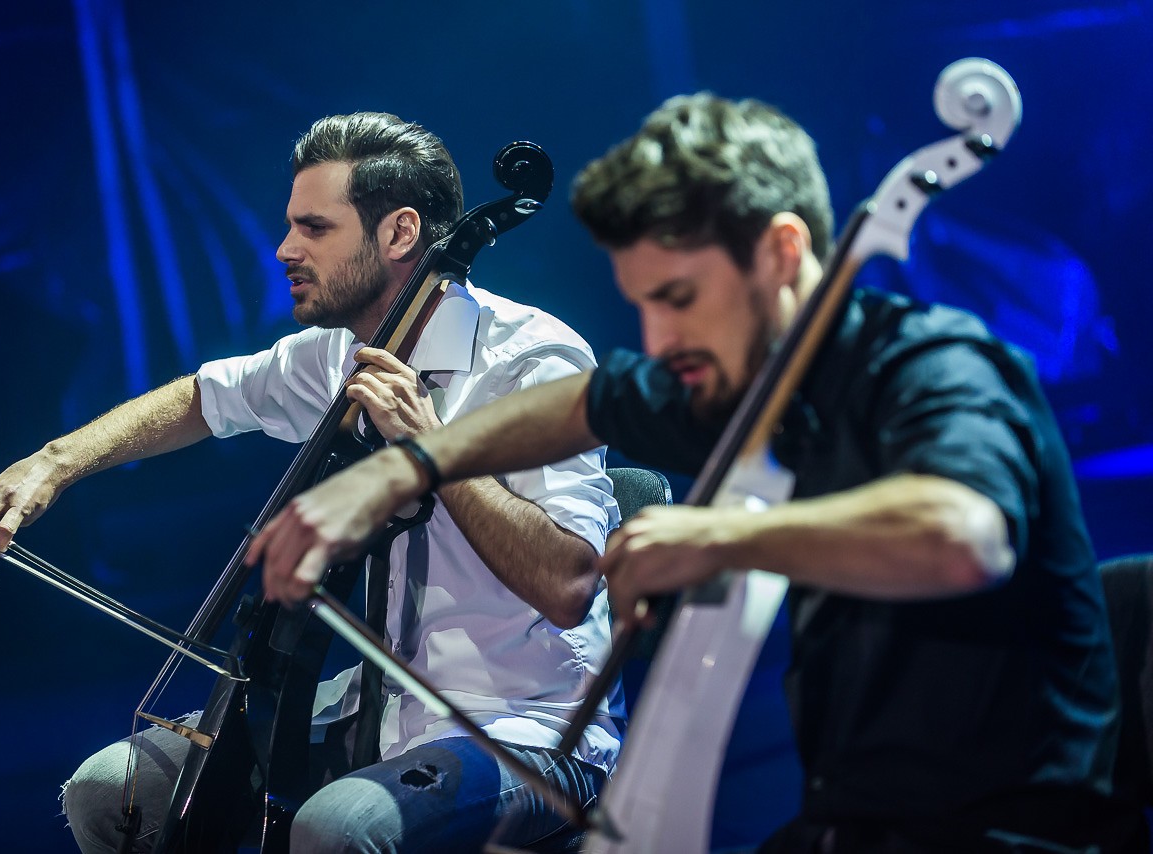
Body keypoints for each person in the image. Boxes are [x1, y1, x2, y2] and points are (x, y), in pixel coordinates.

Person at [246, 94, 1147, 853]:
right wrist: (409, 465)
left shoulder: (941, 369)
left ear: (782, 254)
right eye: (643, 304)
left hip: (1010, 835)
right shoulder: (741, 380)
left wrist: (725, 535)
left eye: (679, 299)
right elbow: (584, 402)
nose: (661, 339)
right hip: (852, 823)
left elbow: (963, 536)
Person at [0, 112, 623, 853]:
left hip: (526, 725)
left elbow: (568, 584)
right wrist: (54, 462)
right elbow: (202, 397)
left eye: (314, 228)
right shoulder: (339, 355)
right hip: (381, 708)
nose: (284, 249)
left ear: (400, 233)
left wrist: (433, 448)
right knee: (109, 792)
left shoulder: (534, 361)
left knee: (337, 830)